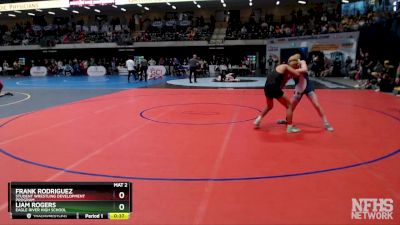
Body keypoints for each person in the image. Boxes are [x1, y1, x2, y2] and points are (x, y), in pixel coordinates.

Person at [254, 54, 307, 133]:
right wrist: (302, 63)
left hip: (267, 87)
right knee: (289, 105)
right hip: (274, 87)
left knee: (269, 106)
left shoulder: (281, 68)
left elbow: (282, 84)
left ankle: (258, 119)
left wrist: (279, 92)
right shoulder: (285, 66)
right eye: (296, 67)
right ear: (294, 65)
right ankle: (289, 127)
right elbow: (298, 73)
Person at [276, 60, 334, 132]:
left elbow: (305, 69)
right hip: (299, 89)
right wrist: (277, 90)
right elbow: (285, 81)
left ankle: (326, 123)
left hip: (308, 87)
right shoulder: (290, 70)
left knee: (316, 104)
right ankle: (287, 120)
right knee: (290, 106)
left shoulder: (302, 62)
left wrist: (291, 70)